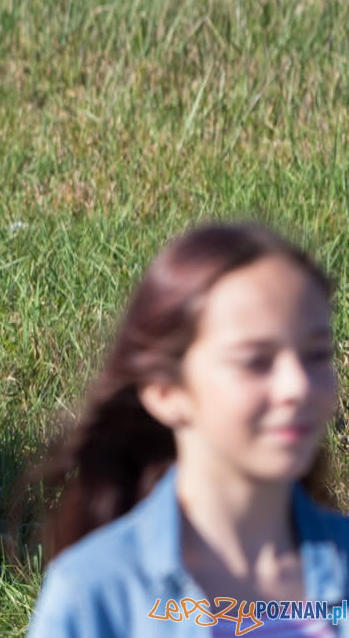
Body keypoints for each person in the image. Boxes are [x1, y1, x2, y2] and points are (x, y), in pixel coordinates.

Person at [25, 223, 349, 637]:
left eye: (316, 355)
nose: (298, 386)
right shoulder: (97, 595)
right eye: (255, 361)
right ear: (164, 390)